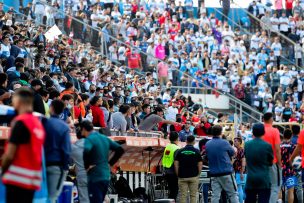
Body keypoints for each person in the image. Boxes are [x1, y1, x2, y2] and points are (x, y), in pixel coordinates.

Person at [1, 88, 46, 203]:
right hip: (32, 180)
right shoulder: (38, 124)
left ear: (18, 101)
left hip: (16, 178)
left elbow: (10, 154)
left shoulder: (20, 122)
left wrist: (3, 171)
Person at [82, 121, 124, 203]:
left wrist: (87, 166)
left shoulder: (90, 139)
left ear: (83, 129)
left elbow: (85, 150)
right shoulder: (104, 138)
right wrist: (110, 163)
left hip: (95, 176)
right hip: (105, 176)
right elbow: (120, 150)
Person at [44, 99, 71, 203]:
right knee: (52, 197)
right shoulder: (64, 126)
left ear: (51, 108)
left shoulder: (43, 123)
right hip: (57, 165)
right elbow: (66, 150)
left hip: (41, 165)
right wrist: (65, 167)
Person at [205, 125, 239, 203]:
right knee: (233, 194)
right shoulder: (224, 142)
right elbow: (233, 153)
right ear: (221, 132)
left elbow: (206, 156)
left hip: (214, 173)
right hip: (226, 172)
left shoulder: (208, 144)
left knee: (215, 196)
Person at [244, 123, 273, 203]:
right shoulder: (267, 145)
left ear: (252, 132)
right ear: (263, 132)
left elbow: (246, 157)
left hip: (251, 179)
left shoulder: (247, 145)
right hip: (264, 179)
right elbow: (271, 162)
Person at [174, 135, 203, 203]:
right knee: (193, 195)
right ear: (194, 142)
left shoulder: (180, 151)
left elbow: (176, 164)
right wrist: (198, 174)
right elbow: (200, 164)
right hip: (193, 176)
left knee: (183, 195)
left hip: (182, 176)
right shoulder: (197, 151)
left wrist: (178, 173)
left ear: (186, 141)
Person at [262, 112, 282, 202]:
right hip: (272, 162)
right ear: (271, 119)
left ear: (263, 119)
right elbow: (277, 149)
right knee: (275, 186)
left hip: (260, 163)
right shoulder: (274, 131)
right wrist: (280, 163)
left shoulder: (259, 130)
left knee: (264, 187)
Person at [71, 124, 90, 203]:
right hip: (96, 175)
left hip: (82, 175)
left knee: (84, 199)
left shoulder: (74, 147)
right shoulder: (94, 144)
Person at [280, 129, 296, 203]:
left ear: (283, 135)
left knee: (279, 190)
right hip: (289, 170)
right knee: (290, 191)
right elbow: (291, 160)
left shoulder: (279, 145)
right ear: (291, 136)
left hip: (280, 170)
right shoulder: (292, 146)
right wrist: (294, 169)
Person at [162, 131, 180, 200]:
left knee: (171, 191)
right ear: (177, 138)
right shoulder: (176, 149)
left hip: (167, 171)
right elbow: (176, 163)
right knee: (174, 192)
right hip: (173, 173)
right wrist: (178, 174)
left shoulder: (167, 147)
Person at [233, 137, 246, 203]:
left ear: (240, 142)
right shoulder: (237, 150)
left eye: (236, 141)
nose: (234, 142)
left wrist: (242, 172)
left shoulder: (241, 150)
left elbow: (243, 160)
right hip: (240, 171)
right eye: (234, 141)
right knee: (242, 188)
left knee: (239, 187)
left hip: (240, 171)